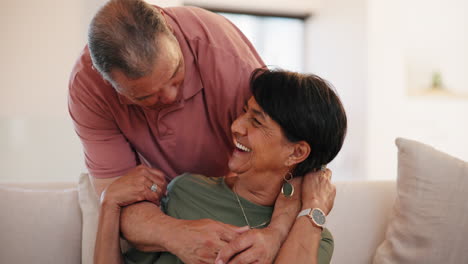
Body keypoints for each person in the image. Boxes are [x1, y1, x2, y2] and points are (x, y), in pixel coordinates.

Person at [68, 0, 303, 262]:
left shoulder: (228, 59)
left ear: (171, 32)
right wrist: (175, 234)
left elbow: (291, 153)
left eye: (176, 73)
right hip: (155, 205)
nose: (170, 97)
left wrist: (277, 233)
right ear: (113, 86)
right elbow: (118, 194)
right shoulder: (89, 89)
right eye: (147, 97)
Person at [94, 68, 348, 264]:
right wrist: (109, 204)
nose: (237, 126)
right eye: (244, 112)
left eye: (257, 122)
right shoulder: (187, 191)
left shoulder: (311, 237)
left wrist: (314, 208)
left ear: (296, 152)